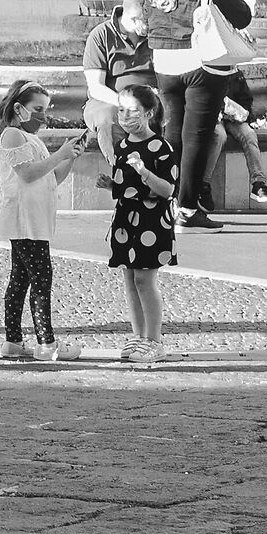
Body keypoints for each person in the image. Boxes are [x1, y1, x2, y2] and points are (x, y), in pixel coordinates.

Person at [142, 0, 252, 230]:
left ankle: (167, 204)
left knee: (173, 132)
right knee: (196, 138)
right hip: (200, 64)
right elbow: (242, 17)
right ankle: (188, 210)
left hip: (163, 63)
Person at [0, 79, 87, 361]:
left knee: (21, 279)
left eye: (44, 109)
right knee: (40, 278)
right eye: (37, 108)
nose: (42, 116)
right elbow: (28, 173)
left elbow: (52, 177)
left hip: (36, 219)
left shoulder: (31, 139)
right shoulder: (12, 135)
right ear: (19, 108)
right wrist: (59, 153)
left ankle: (14, 342)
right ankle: (46, 343)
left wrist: (69, 158)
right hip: (25, 220)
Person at [105, 84, 179, 364]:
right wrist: (111, 185)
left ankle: (154, 340)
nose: (125, 116)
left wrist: (143, 171)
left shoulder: (160, 146)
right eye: (121, 110)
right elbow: (127, 186)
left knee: (145, 280)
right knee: (130, 280)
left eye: (132, 111)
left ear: (148, 113)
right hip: (127, 218)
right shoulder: (122, 145)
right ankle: (138, 336)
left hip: (152, 221)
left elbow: (167, 189)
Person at [81, 0, 155, 163]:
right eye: (146, 21)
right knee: (109, 118)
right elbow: (96, 87)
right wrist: (127, 104)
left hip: (150, 99)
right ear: (132, 17)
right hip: (108, 100)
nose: (149, 26)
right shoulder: (101, 35)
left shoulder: (157, 34)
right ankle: (123, 173)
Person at [218, 75, 267, 205]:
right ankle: (204, 185)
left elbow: (247, 101)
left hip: (234, 119)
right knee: (219, 137)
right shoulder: (207, 73)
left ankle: (258, 184)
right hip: (214, 119)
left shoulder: (236, 75)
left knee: (249, 135)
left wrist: (236, 111)